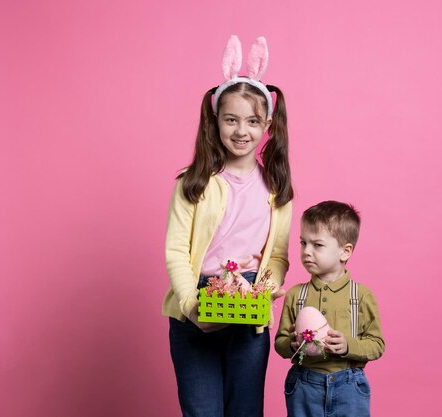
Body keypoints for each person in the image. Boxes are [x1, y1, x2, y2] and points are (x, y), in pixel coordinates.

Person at [163, 35, 293, 417]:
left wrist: (262, 294)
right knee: (202, 411)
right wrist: (190, 306)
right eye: (231, 119)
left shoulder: (276, 187)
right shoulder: (193, 182)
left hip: (250, 308)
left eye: (252, 121)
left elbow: (279, 256)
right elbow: (176, 250)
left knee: (245, 410)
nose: (241, 131)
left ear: (267, 123)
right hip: (197, 302)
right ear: (215, 120)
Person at [275, 201, 385, 417]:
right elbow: (280, 344)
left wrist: (347, 346)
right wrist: (293, 344)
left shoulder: (361, 296)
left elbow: (377, 345)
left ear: (345, 252)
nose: (306, 251)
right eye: (303, 242)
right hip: (305, 385)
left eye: (317, 245)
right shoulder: (296, 295)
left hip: (348, 386)